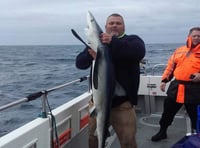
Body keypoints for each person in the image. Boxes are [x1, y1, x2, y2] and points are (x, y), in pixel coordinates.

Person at [76, 13, 145, 148]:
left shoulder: (132, 40)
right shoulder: (97, 43)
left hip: (122, 105)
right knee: (93, 138)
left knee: (128, 141)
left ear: (124, 26)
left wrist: (113, 42)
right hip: (97, 103)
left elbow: (138, 52)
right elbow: (80, 64)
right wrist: (90, 54)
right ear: (105, 26)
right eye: (111, 23)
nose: (114, 25)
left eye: (118, 23)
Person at [151, 27, 200, 142]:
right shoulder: (179, 50)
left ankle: (197, 136)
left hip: (195, 90)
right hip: (176, 88)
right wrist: (164, 80)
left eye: (199, 36)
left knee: (196, 116)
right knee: (167, 113)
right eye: (194, 35)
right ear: (189, 37)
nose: (197, 38)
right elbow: (170, 68)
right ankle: (162, 132)